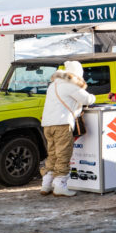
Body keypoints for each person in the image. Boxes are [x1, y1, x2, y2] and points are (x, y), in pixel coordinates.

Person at [40, 60, 95, 197]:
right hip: (62, 124)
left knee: (52, 155)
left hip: (47, 124)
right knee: (63, 154)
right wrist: (93, 97)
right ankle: (60, 186)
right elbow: (87, 99)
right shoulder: (70, 85)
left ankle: (46, 185)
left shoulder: (53, 85)